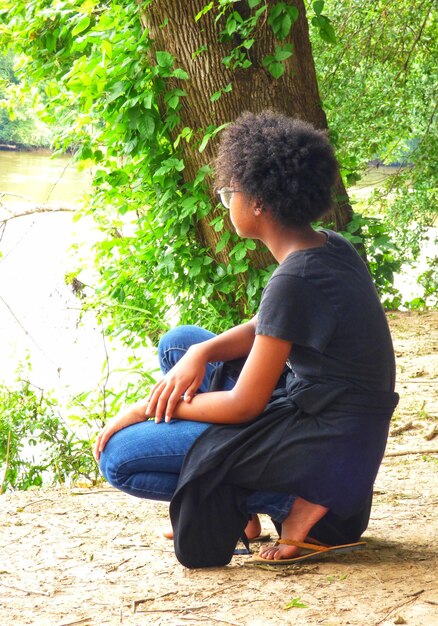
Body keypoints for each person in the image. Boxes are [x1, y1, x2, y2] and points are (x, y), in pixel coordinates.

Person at [94, 110, 398, 567]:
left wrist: (146, 408)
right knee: (179, 343)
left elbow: (244, 406)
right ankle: (247, 512)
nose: (225, 201)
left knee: (119, 457)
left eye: (227, 193)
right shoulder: (330, 245)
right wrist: (202, 351)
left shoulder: (294, 277)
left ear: (257, 202)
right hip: (345, 423)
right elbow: (266, 326)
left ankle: (291, 504)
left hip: (326, 437)